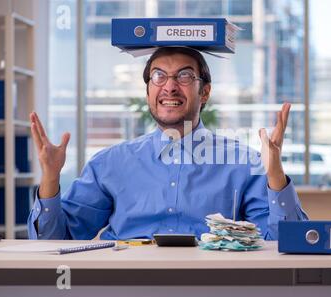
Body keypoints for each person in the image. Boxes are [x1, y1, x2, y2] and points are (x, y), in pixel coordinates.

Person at [27, 47, 308, 240]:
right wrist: (50, 179)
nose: (169, 86)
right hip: (124, 286)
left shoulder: (246, 163)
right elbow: (55, 241)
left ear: (205, 91)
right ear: (149, 90)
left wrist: (276, 177)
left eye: (184, 76)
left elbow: (284, 243)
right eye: (158, 76)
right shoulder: (109, 164)